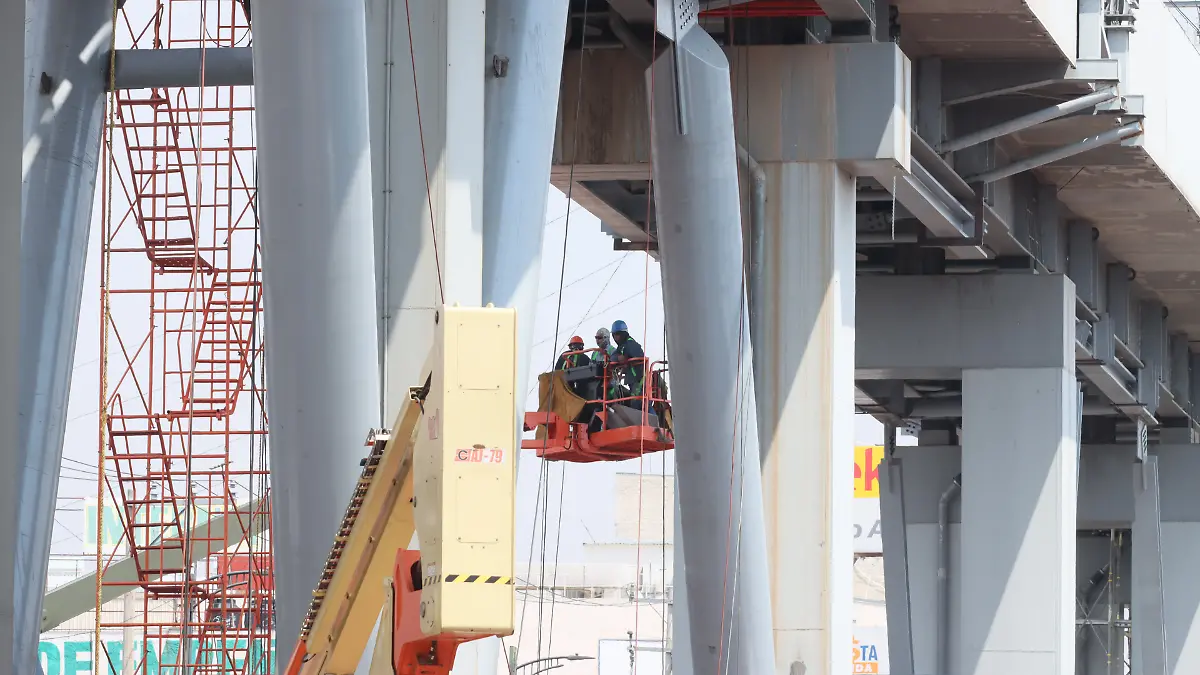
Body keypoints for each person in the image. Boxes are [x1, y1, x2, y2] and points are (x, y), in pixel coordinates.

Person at [607, 320, 645, 404]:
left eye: (617, 334)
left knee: (639, 404)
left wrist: (627, 359)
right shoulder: (622, 346)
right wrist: (619, 358)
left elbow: (640, 357)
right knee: (637, 403)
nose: (615, 338)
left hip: (639, 379)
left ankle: (654, 417)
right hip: (633, 379)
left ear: (623, 333)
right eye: (613, 335)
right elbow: (614, 356)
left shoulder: (630, 344)